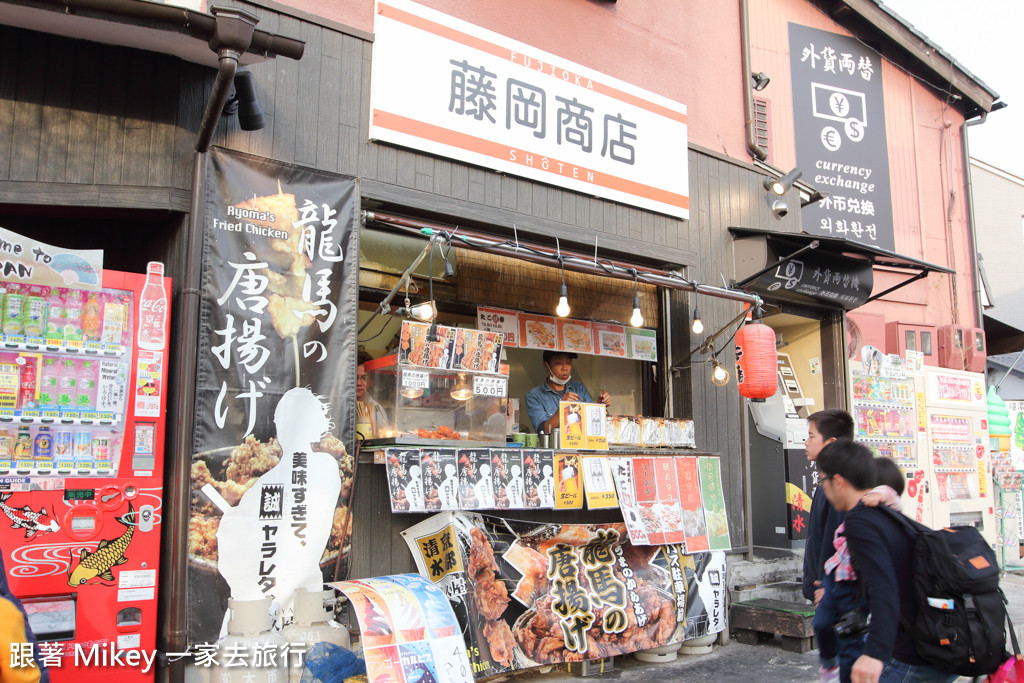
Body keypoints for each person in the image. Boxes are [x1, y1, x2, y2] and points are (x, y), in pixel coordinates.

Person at [817, 441, 957, 683]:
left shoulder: (860, 520)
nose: (824, 491)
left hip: (913, 657)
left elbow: (883, 586)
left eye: (822, 482)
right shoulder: (884, 513)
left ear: (838, 481)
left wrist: (874, 654)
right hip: (938, 645)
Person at [813, 451, 905, 683]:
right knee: (822, 624)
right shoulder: (855, 515)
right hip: (835, 575)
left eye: (824, 480)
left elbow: (890, 492)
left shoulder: (872, 511)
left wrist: (878, 492)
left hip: (853, 587)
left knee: (850, 643)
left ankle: (842, 672)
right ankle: (830, 666)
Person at [801, 409, 855, 682]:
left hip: (835, 597)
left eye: (811, 436)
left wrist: (828, 585)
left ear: (831, 443)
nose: (806, 442)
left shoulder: (837, 487)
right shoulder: (828, 483)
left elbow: (838, 544)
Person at [525, 350, 611, 434]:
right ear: (546, 365)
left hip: (580, 446)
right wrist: (563, 407)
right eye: (558, 363)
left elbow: (593, 422)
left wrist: (600, 407)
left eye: (568, 363)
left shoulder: (578, 387)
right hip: (555, 447)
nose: (565, 368)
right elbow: (542, 430)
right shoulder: (534, 395)